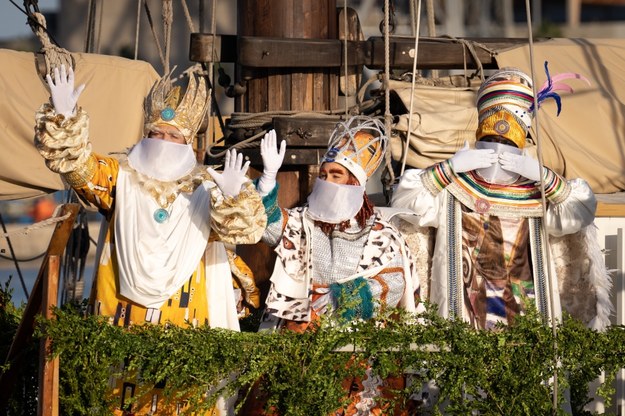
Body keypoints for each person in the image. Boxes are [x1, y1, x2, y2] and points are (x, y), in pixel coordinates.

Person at [35, 65, 266, 414]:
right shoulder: (118, 178)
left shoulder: (208, 186)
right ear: (145, 134)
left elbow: (244, 230)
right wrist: (65, 118)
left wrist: (233, 197)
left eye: (174, 138)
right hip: (119, 320)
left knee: (188, 400)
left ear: (189, 143)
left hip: (189, 323)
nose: (164, 143)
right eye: (157, 134)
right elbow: (76, 168)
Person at [391, 66, 612, 331]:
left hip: (527, 314)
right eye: (492, 140)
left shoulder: (537, 194)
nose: (498, 147)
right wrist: (449, 168)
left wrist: (544, 177)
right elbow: (405, 203)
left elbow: (579, 211)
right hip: (464, 316)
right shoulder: (454, 188)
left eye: (505, 143)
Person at [246, 115, 421, 414]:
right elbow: (268, 224)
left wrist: (343, 296)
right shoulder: (302, 222)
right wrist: (267, 181)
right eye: (323, 174)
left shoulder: (383, 234)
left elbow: (393, 282)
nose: (326, 181)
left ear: (354, 183)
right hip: (299, 336)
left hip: (359, 348)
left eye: (336, 174)